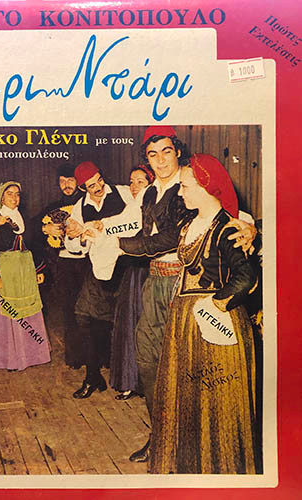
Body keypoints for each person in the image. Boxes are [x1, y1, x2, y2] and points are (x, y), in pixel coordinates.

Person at [119, 126, 257, 462]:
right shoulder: (148, 193)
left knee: (185, 366)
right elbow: (128, 224)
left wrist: (251, 228)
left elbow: (228, 213)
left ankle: (188, 442)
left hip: (188, 286)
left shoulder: (194, 181)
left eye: (166, 152)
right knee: (149, 359)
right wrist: (99, 232)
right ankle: (162, 435)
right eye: (153, 154)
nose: (161, 160)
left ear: (178, 152)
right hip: (155, 279)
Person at [150, 154, 259, 474]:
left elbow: (246, 277)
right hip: (186, 323)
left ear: (206, 187)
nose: (180, 192)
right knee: (189, 397)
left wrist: (215, 304)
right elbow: (151, 243)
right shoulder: (188, 224)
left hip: (215, 324)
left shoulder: (228, 228)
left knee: (217, 401)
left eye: (185, 186)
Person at [64, 161, 134, 399]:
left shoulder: (124, 193)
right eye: (91, 185)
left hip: (125, 269)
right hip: (98, 271)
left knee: (122, 325)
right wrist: (78, 236)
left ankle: (128, 379)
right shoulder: (79, 207)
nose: (98, 187)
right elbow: (73, 246)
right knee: (84, 317)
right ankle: (92, 376)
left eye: (99, 180)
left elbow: (138, 223)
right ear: (82, 188)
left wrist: (105, 229)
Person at [0, 181, 51, 371]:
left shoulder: (25, 219)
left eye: (17, 194)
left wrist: (39, 269)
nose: (14, 198)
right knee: (9, 313)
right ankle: (12, 359)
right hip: (5, 271)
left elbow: (35, 246)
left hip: (26, 269)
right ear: (1, 197)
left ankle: (33, 355)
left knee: (29, 312)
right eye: (9, 194)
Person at [110, 165, 154, 400]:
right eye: (131, 181)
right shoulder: (130, 208)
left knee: (147, 327)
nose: (134, 186)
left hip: (151, 272)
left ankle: (149, 384)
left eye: (140, 181)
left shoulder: (153, 206)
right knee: (128, 324)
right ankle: (129, 381)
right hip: (133, 272)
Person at [39, 163, 88, 369]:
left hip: (88, 263)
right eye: (62, 181)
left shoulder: (88, 202)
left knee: (91, 310)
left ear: (78, 181)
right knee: (69, 310)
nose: (66, 185)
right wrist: (45, 228)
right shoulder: (53, 207)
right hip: (65, 265)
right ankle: (74, 357)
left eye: (70, 180)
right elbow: (31, 228)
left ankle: (98, 356)